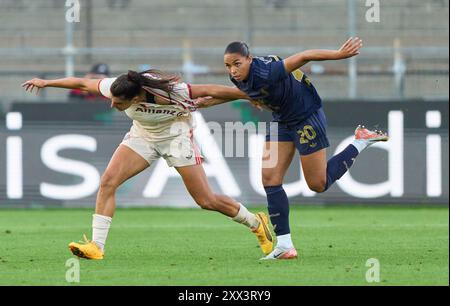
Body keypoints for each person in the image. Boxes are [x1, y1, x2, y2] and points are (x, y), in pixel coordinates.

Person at [22, 69, 273, 260]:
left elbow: (213, 90)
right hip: (142, 136)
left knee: (205, 200)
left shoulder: (174, 91)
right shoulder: (116, 87)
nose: (113, 104)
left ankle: (256, 222)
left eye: (119, 103)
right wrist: (46, 83)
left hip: (176, 136)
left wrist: (248, 96)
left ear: (136, 97)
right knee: (108, 181)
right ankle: (96, 247)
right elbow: (81, 83)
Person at [196, 37, 389, 260]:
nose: (232, 70)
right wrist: (210, 101)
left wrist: (339, 54)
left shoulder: (268, 71)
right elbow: (244, 92)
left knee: (317, 184)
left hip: (306, 116)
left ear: (249, 59)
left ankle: (360, 141)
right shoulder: (240, 76)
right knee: (269, 178)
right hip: (282, 119)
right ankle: (285, 246)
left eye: (237, 64)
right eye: (228, 66)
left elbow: (303, 56)